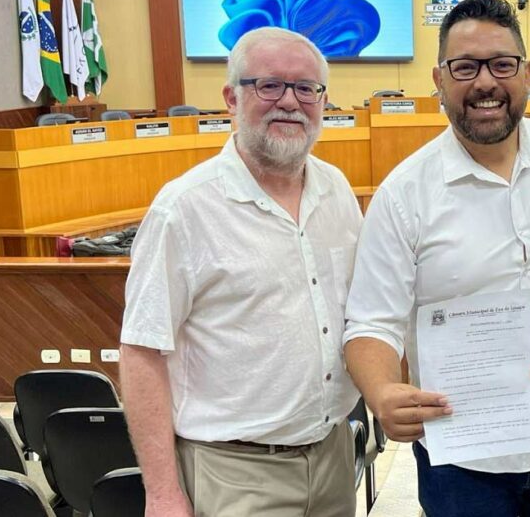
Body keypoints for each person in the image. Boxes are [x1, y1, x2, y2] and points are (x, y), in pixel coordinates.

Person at [343, 0, 530, 516]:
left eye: (502, 64)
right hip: (460, 462)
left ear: (527, 73)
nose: (486, 82)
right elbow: (372, 319)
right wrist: (381, 391)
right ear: (439, 80)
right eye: (465, 67)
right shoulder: (404, 194)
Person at [119, 27, 361, 517]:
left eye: (306, 88)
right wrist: (162, 493)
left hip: (331, 457)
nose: (290, 102)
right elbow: (141, 352)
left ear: (323, 100)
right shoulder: (183, 209)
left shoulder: (336, 189)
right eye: (269, 85)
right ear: (232, 98)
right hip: (233, 472)